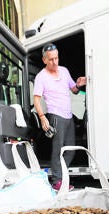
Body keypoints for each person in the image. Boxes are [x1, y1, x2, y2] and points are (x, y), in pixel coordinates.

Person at [33, 43, 86, 191]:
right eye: (50, 59)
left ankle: (61, 177)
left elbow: (73, 90)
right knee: (57, 150)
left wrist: (79, 84)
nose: (54, 62)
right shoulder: (41, 77)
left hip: (69, 116)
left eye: (56, 58)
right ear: (44, 60)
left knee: (71, 150)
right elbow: (36, 99)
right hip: (55, 116)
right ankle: (57, 181)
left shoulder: (64, 71)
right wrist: (43, 117)